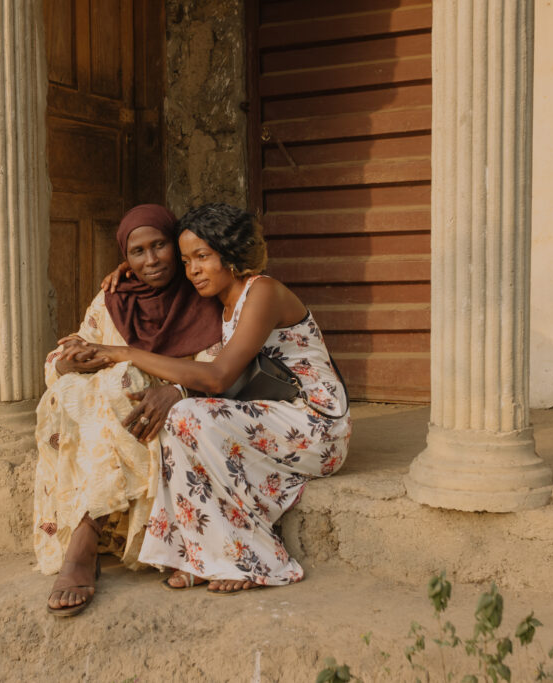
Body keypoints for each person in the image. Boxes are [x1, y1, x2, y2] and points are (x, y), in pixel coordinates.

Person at [67, 203, 351, 594]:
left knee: (187, 415)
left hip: (316, 425)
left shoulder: (263, 292)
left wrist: (123, 353)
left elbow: (218, 378)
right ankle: (200, 556)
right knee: (177, 420)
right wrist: (125, 273)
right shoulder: (219, 300)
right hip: (274, 418)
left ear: (231, 254)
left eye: (202, 257)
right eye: (186, 261)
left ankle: (251, 561)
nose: (192, 270)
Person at [35, 204, 222, 617]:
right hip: (117, 414)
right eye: (138, 251)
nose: (151, 260)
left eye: (160, 246)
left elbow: (218, 365)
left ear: (177, 245)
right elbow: (72, 347)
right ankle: (88, 531)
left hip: (165, 404)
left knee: (122, 386)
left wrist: (176, 387)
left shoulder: (204, 293)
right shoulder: (112, 297)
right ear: (125, 256)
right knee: (73, 389)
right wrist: (69, 362)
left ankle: (84, 542)